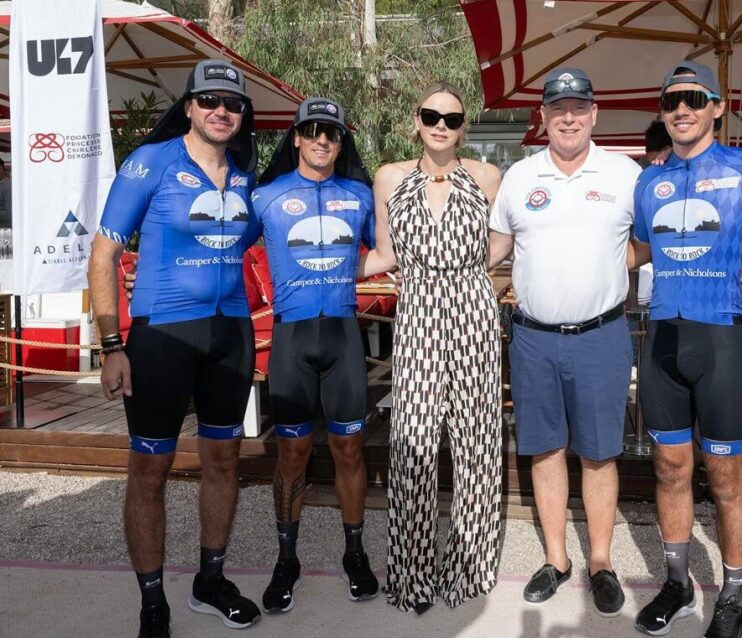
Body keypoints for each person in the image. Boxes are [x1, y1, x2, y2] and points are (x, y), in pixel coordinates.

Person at [88, 60, 263, 637]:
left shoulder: (245, 171)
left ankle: (209, 580)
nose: (221, 111)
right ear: (189, 105)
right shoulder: (151, 160)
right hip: (162, 335)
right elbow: (104, 255)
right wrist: (112, 345)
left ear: (242, 115)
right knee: (150, 469)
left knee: (223, 460)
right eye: (209, 100)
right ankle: (151, 601)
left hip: (230, 333)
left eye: (232, 103)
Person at [487, 68, 641, 617]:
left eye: (578, 107)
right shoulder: (519, 177)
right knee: (545, 449)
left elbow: (643, 244)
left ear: (594, 114)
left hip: (601, 335)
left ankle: (600, 561)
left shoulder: (625, 174)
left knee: (600, 453)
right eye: (558, 109)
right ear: (544, 118)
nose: (568, 117)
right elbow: (496, 248)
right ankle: (557, 560)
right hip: (532, 338)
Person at [630, 61, 742, 638]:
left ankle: (733, 597)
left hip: (722, 338)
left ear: (717, 106)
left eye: (693, 98)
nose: (681, 109)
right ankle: (677, 582)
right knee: (668, 466)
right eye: (671, 102)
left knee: (728, 475)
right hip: (662, 335)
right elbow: (638, 248)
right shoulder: (649, 180)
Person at [364, 82, 503, 614]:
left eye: (452, 118)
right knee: (414, 441)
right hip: (418, 311)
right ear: (416, 121)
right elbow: (383, 253)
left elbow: (503, 241)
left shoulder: (488, 176)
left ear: (464, 125)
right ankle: (413, 571)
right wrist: (320, 269)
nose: (441, 125)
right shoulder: (389, 177)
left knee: (476, 442)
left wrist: (463, 274)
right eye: (431, 115)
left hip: (473, 313)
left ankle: (468, 566)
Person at [250, 98, 379, 613]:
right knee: (292, 454)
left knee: (349, 450)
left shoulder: (362, 195)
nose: (322, 139)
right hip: (292, 339)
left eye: (332, 132)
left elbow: (390, 251)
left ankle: (354, 552)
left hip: (344, 337)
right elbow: (219, 248)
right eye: (312, 130)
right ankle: (287, 558)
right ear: (297, 138)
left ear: (341, 141)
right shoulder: (266, 196)